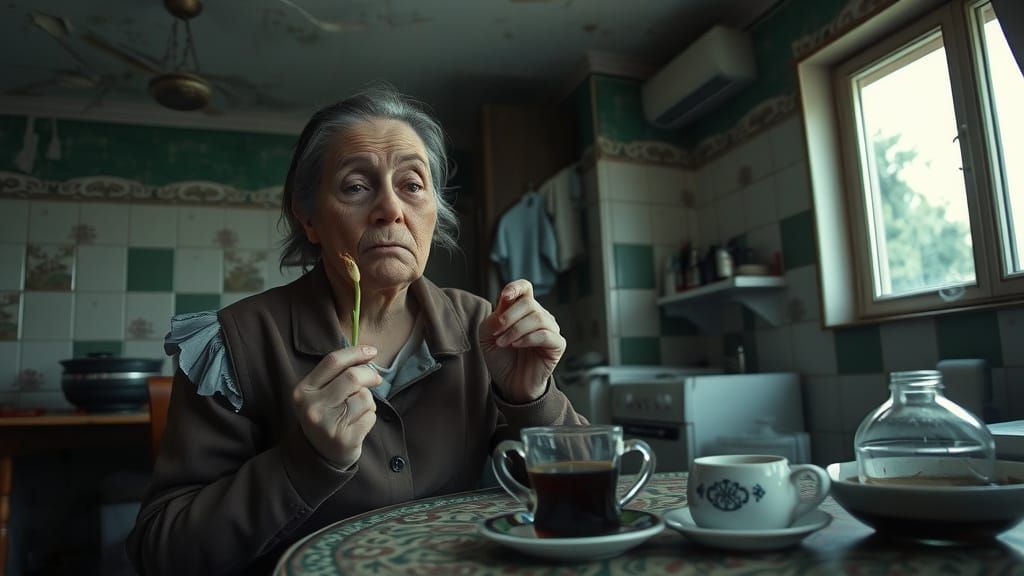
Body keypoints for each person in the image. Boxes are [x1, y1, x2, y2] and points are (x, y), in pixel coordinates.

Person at [125, 84, 587, 575]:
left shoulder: (482, 326)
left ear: (434, 212)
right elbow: (162, 552)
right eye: (355, 186)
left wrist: (531, 398)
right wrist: (304, 461)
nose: (391, 209)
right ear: (309, 219)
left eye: (412, 185)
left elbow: (590, 500)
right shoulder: (233, 344)